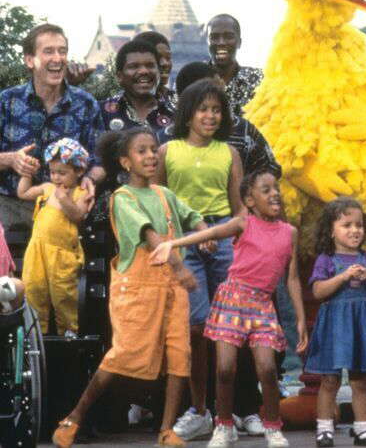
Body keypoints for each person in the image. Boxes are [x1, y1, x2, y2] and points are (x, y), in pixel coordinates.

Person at [51, 127, 220, 448]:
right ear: (125, 162)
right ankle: (74, 417)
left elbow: (190, 214)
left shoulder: (163, 194)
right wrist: (181, 266)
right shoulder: (122, 199)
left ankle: (167, 430)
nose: (151, 155)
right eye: (142, 151)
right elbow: (150, 236)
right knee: (123, 355)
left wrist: (204, 232)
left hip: (173, 290)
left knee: (180, 355)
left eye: (153, 149)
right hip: (138, 292)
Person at [150, 169, 307, 448]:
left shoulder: (289, 233)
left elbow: (292, 278)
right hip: (232, 300)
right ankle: (223, 426)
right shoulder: (243, 224)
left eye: (276, 189)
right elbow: (209, 233)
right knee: (224, 369)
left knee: (268, 369)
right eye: (266, 190)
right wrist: (172, 243)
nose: (274, 194)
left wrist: (300, 320)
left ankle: (273, 427)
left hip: (262, 305)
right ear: (249, 200)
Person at [157, 79, 245, 441]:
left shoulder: (229, 153)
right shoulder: (167, 151)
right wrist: (183, 239)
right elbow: (159, 201)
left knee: (227, 329)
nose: (210, 116)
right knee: (194, 327)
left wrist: (223, 236)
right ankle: (198, 409)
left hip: (222, 239)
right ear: (188, 113)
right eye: (203, 109)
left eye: (216, 110)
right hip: (181, 241)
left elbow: (239, 210)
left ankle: (229, 411)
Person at [0, 24, 104, 230]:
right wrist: (11, 159)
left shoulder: (86, 103)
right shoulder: (6, 101)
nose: (57, 58)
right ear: (29, 60)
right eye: (48, 51)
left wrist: (90, 179)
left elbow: (99, 161)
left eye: (62, 51)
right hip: (9, 209)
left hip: (65, 209)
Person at [306, 197, 366, 447]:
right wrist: (343, 276)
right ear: (331, 230)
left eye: (359, 225)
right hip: (334, 325)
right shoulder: (326, 259)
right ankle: (324, 429)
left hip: (361, 325)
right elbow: (318, 291)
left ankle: (363, 429)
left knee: (361, 380)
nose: (355, 230)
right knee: (330, 380)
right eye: (347, 225)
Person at [16, 138, 93, 335]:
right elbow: (23, 193)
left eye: (62, 173)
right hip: (37, 249)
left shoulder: (81, 192)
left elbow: (78, 216)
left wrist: (64, 199)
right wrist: (27, 174)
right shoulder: (47, 189)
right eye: (52, 172)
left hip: (63, 254)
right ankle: (35, 332)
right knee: (34, 288)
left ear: (79, 171)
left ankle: (68, 332)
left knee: (63, 294)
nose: (56, 177)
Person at [159, 62, 282, 179]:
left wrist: (243, 188)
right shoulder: (165, 142)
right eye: (217, 89)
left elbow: (271, 169)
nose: (223, 93)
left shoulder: (242, 130)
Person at [207, 14, 263, 117]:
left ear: (239, 42)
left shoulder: (259, 80)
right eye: (214, 37)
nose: (221, 42)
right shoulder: (191, 78)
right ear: (207, 42)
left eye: (228, 37)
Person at [134, 30, 177, 109]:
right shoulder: (116, 107)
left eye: (168, 58)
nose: (165, 63)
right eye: (158, 57)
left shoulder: (179, 103)